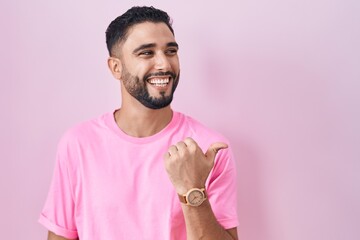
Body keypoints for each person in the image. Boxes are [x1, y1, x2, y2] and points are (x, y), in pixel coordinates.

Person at [39, 6, 239, 240]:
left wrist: (193, 192)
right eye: (147, 53)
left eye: (171, 51)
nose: (164, 64)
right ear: (116, 67)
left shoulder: (208, 148)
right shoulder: (78, 144)